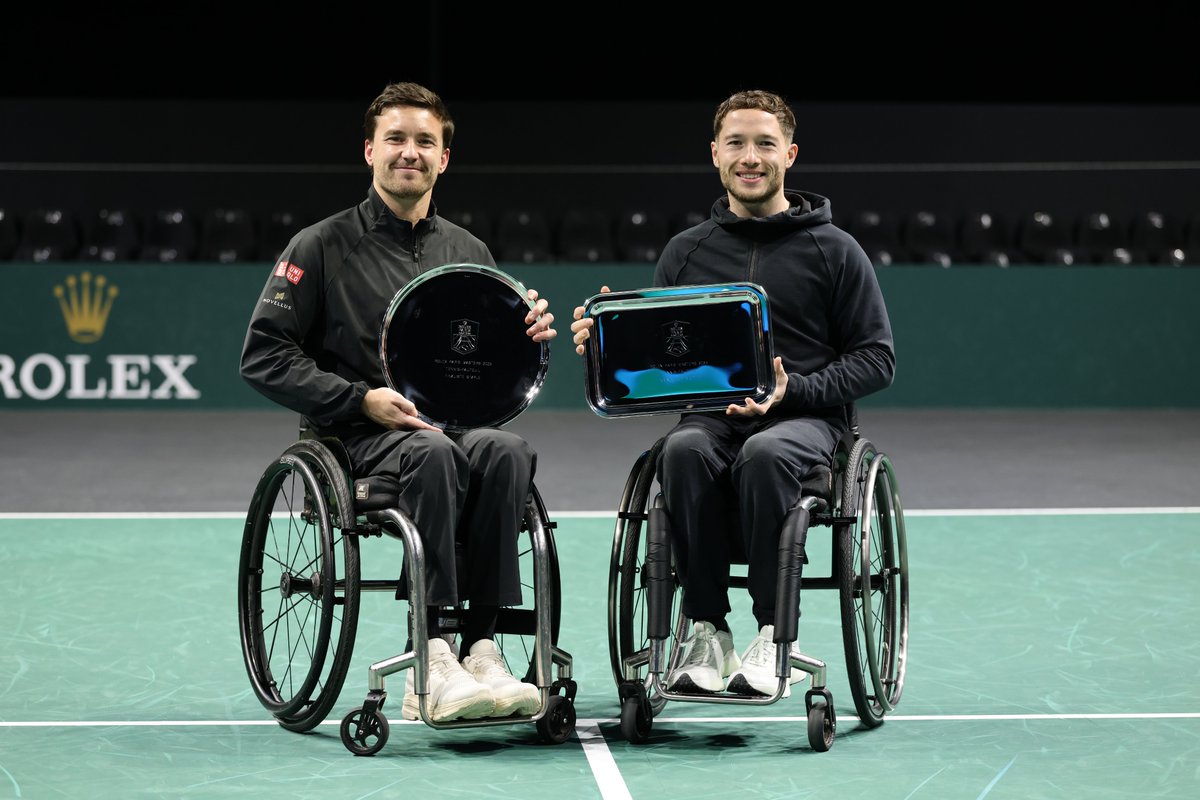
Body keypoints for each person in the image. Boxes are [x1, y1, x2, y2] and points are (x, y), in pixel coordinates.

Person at [240, 82, 557, 722]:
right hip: (355, 439)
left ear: (444, 158)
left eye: (424, 142)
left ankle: (482, 644)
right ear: (369, 151)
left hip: (450, 430)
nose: (409, 152)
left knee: (505, 450)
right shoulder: (319, 246)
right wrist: (360, 400)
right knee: (435, 453)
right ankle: (431, 654)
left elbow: (481, 364)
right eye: (396, 139)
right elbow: (264, 356)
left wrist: (526, 338)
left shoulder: (469, 252)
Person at [570, 89, 895, 697]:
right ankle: (706, 629)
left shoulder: (836, 250)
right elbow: (664, 367)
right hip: (711, 422)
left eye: (765, 144)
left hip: (803, 422)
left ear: (789, 155)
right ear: (715, 154)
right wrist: (609, 344)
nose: (751, 156)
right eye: (737, 144)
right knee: (681, 452)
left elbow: (878, 360)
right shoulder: (684, 253)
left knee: (766, 455)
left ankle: (776, 633)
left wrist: (792, 390)